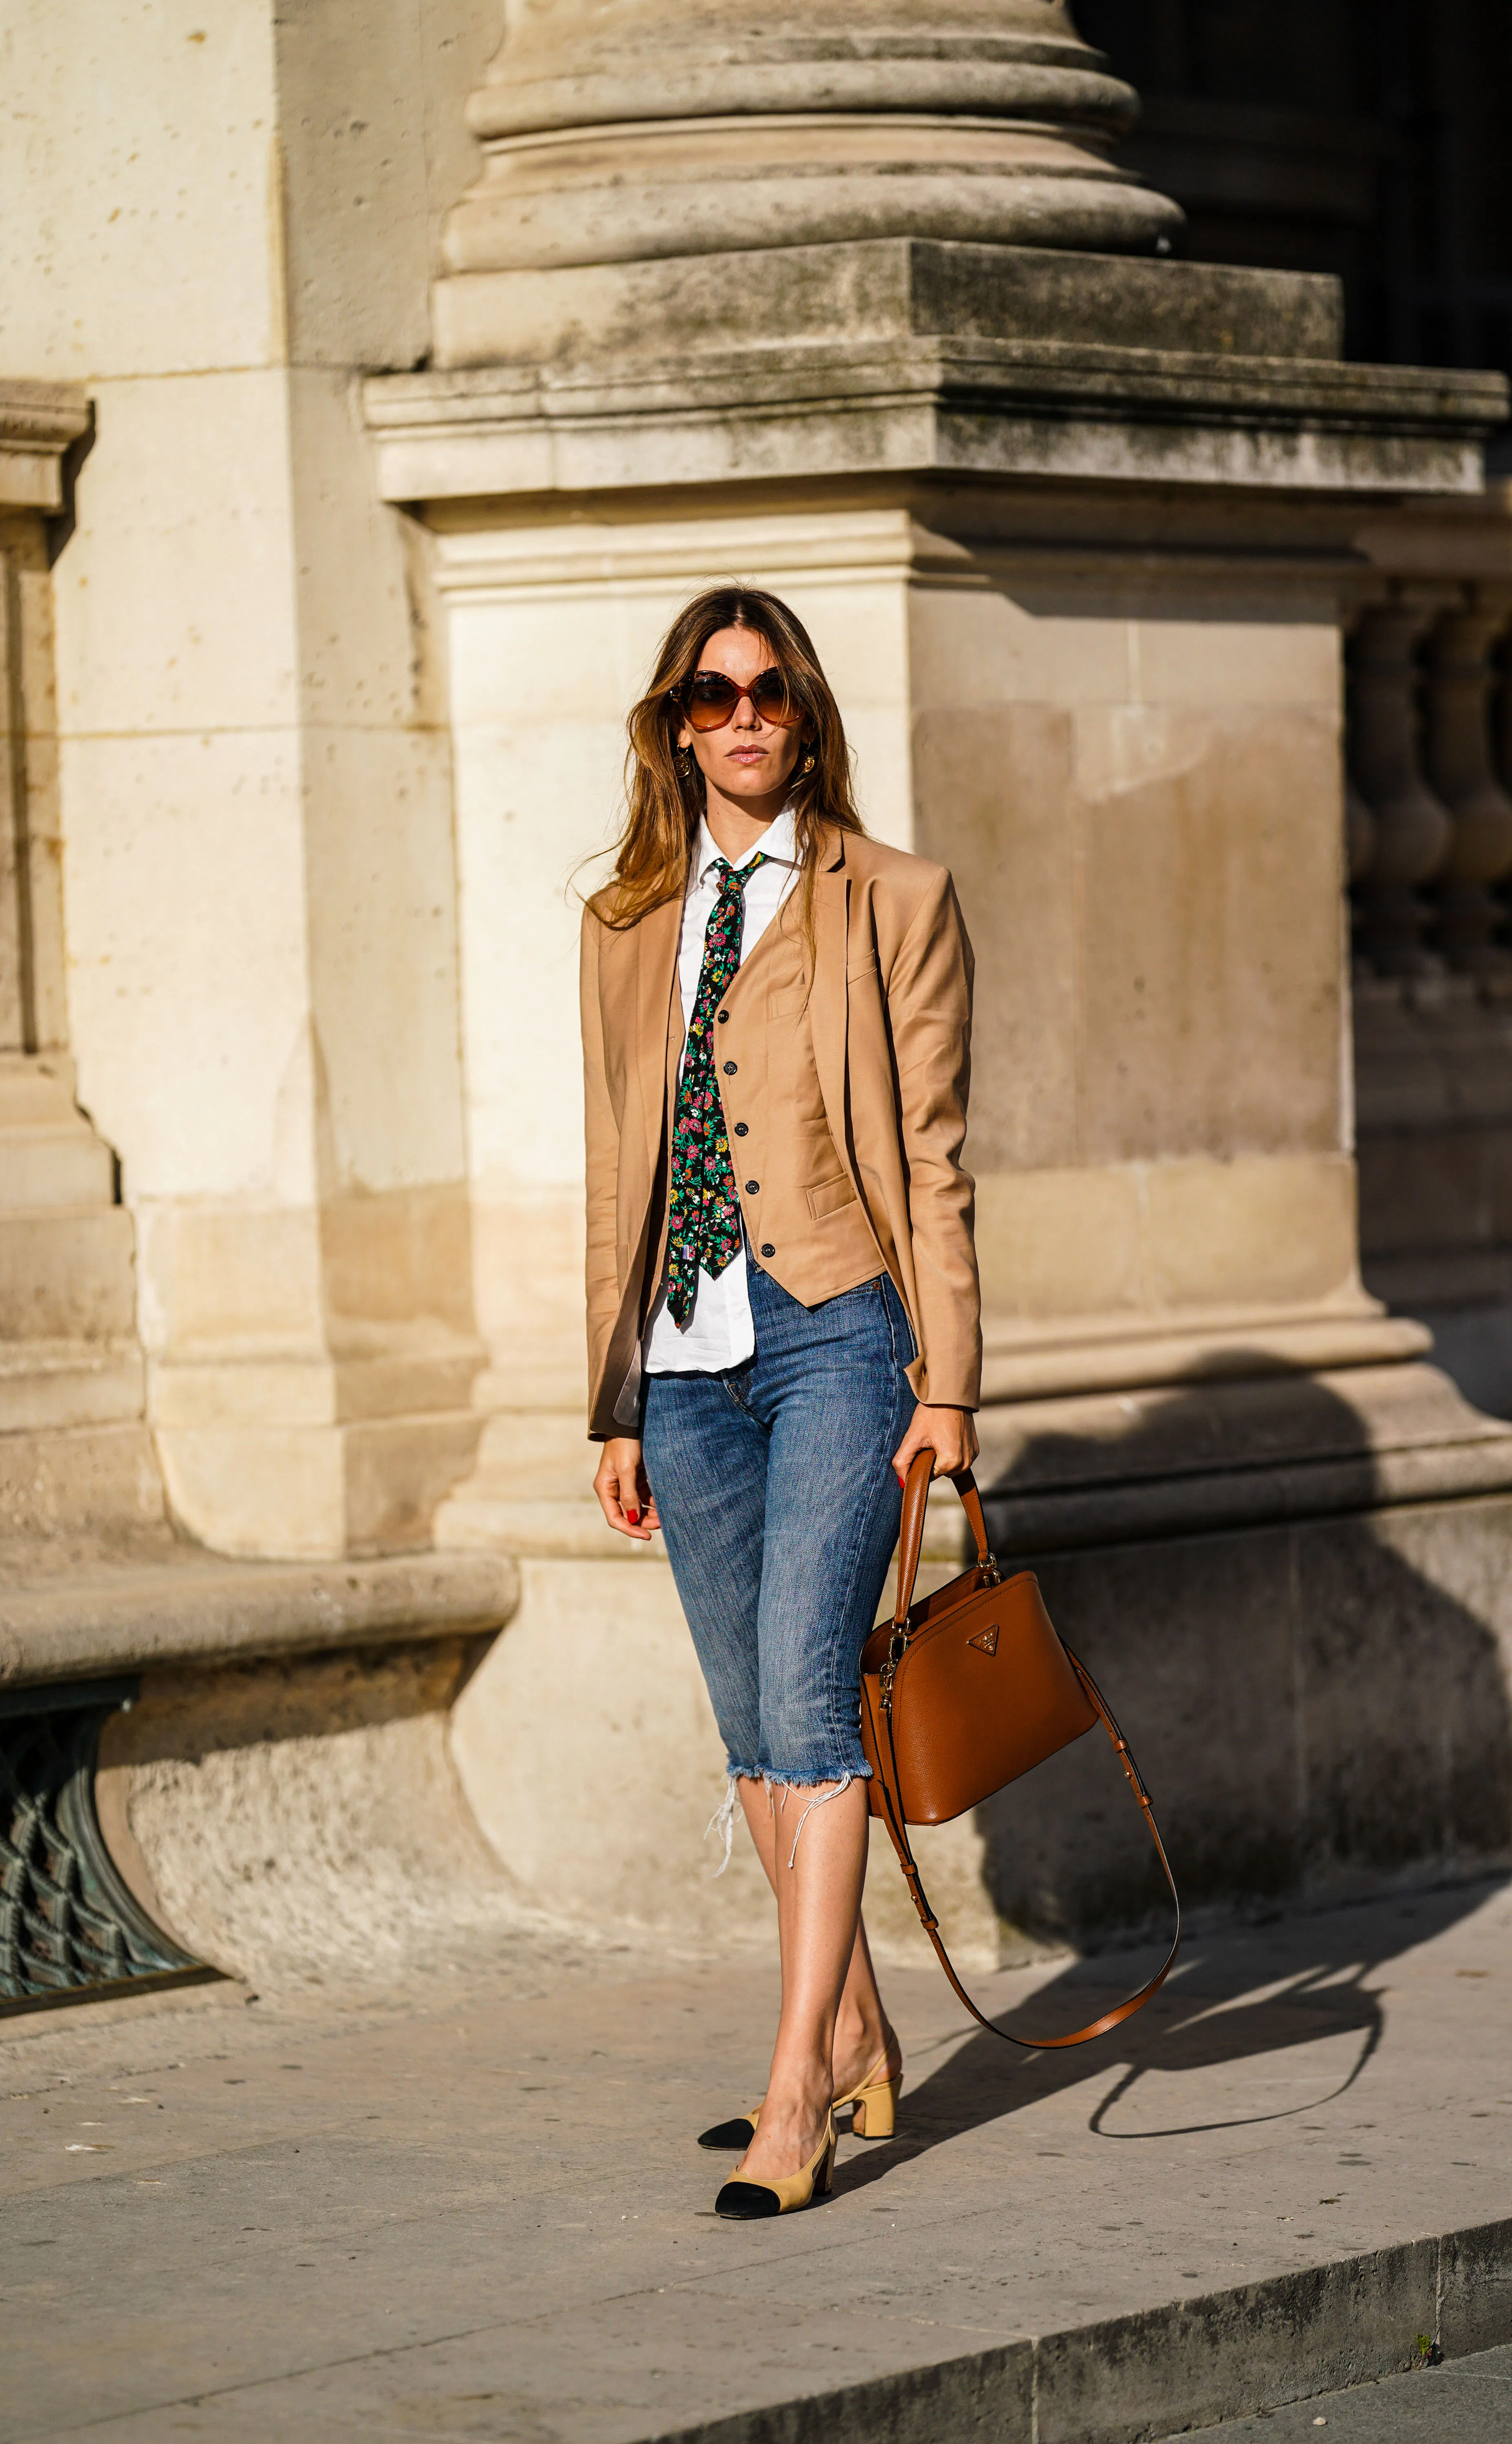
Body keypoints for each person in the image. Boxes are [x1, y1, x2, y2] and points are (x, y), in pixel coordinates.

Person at [580, 585, 981, 2220]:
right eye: (712, 694)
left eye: (769, 692)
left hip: (840, 1341)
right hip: (683, 1364)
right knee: (751, 1727)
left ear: (805, 716)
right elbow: (613, 1173)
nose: (741, 716)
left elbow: (936, 1157)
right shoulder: (625, 921)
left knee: (813, 1707)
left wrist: (950, 1381)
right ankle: (862, 2028)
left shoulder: (895, 897)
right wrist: (613, 1401)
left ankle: (795, 2086)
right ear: (676, 726)